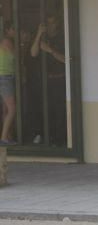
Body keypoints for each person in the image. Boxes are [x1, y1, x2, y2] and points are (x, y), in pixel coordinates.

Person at [30, 13, 66, 146]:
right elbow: (33, 53)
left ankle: (59, 140)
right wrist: (39, 34)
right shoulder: (42, 38)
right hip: (44, 82)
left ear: (57, 23)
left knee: (59, 111)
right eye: (48, 23)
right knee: (44, 109)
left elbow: (66, 60)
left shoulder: (63, 38)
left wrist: (49, 50)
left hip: (59, 80)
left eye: (53, 22)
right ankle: (45, 136)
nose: (50, 26)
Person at [0, 23, 17, 144]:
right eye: (13, 29)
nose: (15, 31)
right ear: (7, 30)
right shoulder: (7, 41)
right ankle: (4, 138)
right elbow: (16, 56)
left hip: (4, 77)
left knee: (6, 109)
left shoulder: (5, 41)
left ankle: (8, 136)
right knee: (12, 109)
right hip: (5, 77)